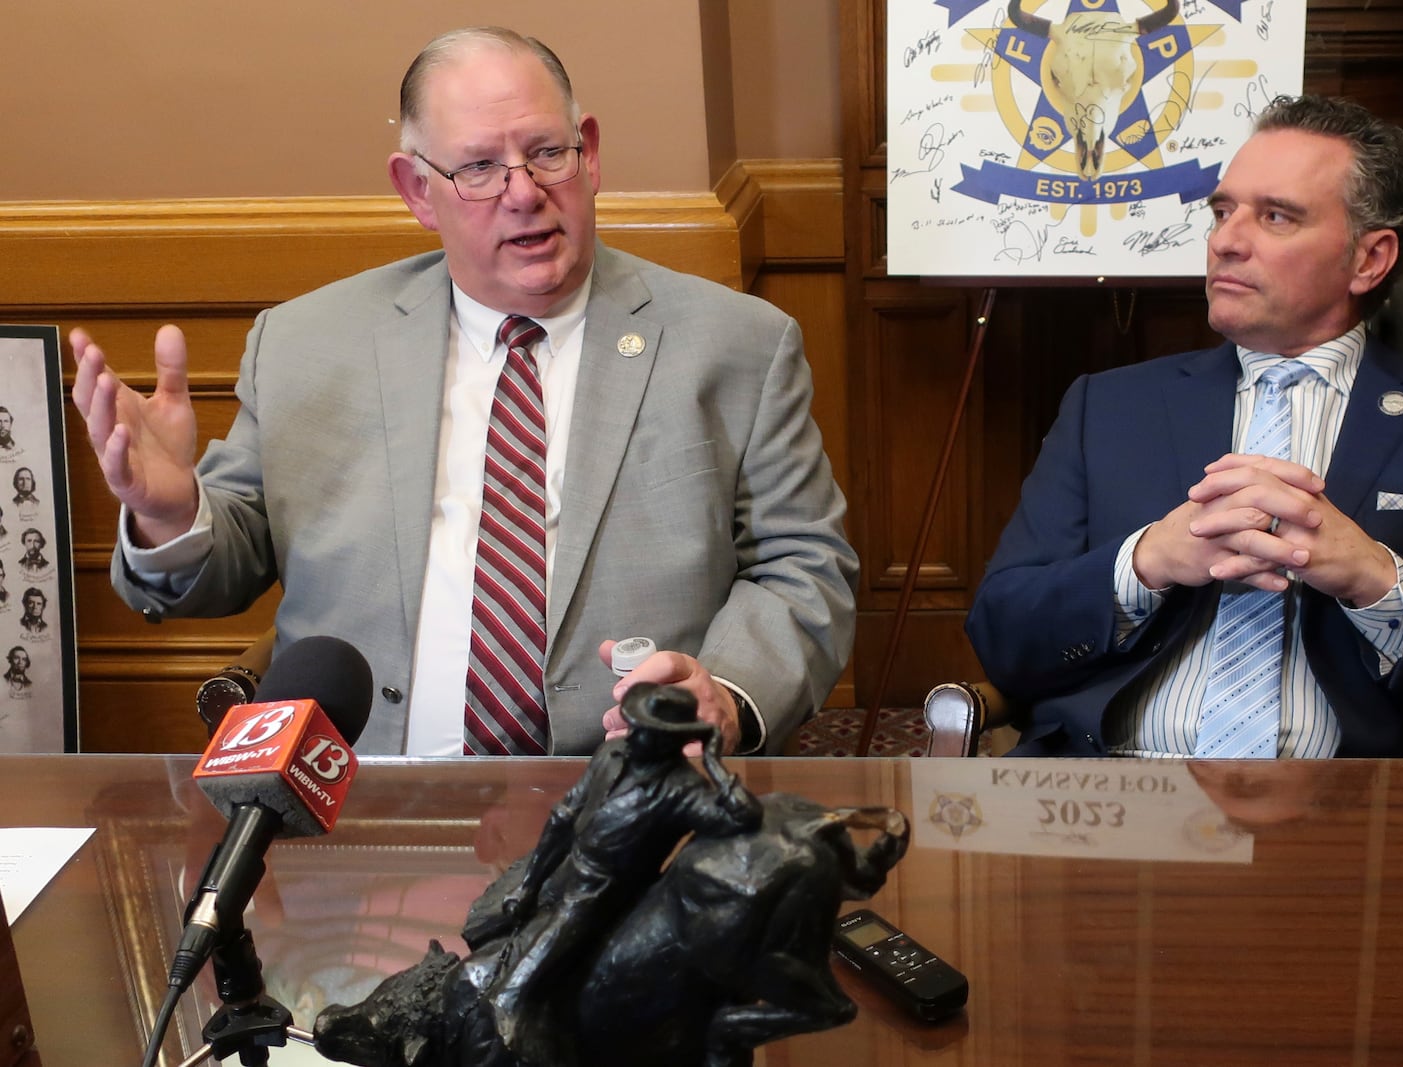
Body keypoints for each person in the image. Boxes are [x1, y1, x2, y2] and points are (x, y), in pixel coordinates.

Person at [68, 26, 857, 756]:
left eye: (547, 152)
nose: (522, 192)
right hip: (364, 810)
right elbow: (224, 565)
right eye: (479, 167)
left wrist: (724, 694)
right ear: (418, 190)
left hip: (632, 804)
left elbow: (805, 566)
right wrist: (173, 514)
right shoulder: (308, 345)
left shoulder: (737, 344)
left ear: (589, 153)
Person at [965, 95, 1403, 759]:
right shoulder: (1107, 408)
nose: (1225, 240)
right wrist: (1147, 561)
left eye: (1275, 216)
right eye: (1222, 212)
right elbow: (1001, 634)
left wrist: (1377, 580)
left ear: (1369, 259)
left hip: (1350, 814)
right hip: (1112, 795)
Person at [459, 682, 762, 1061]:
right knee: (505, 915)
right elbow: (565, 812)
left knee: (563, 927)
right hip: (570, 857)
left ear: (671, 738)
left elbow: (743, 817)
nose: (638, 736)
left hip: (612, 887)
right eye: (637, 725)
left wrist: (714, 760)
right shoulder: (613, 753)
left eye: (650, 731)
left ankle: (512, 1000)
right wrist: (531, 879)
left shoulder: (683, 788)